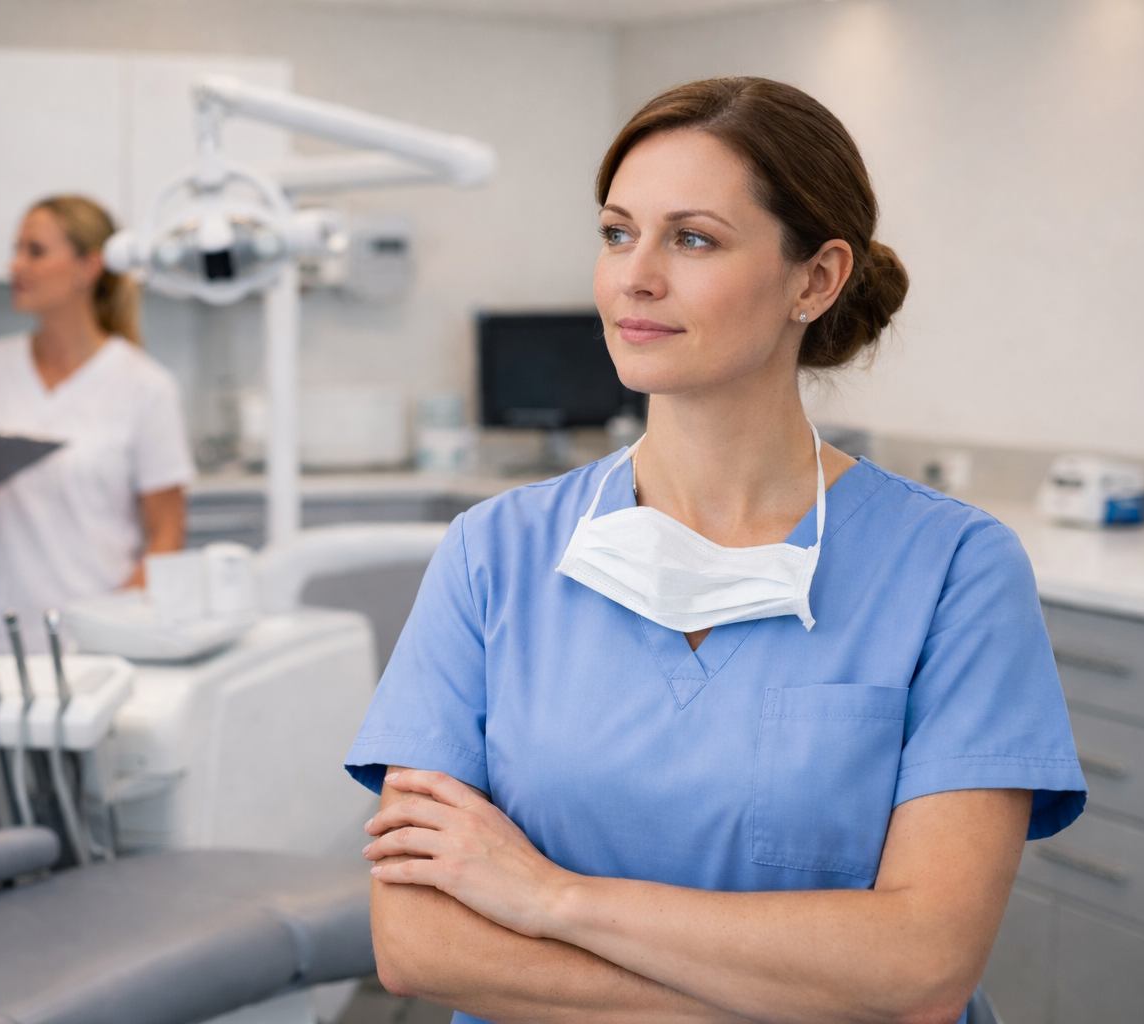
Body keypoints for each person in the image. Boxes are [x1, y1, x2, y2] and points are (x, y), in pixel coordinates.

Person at [346, 78, 1086, 1024]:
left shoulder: (952, 570)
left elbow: (923, 966)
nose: (634, 277)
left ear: (814, 280)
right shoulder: (493, 554)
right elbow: (418, 944)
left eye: (691, 238)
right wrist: (805, 993)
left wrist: (547, 898)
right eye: (618, 233)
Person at [0, 195, 193, 649]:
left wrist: (116, 630)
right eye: (16, 250)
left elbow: (166, 535)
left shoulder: (145, 386)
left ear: (88, 267)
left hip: (96, 638)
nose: (15, 266)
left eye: (35, 251)